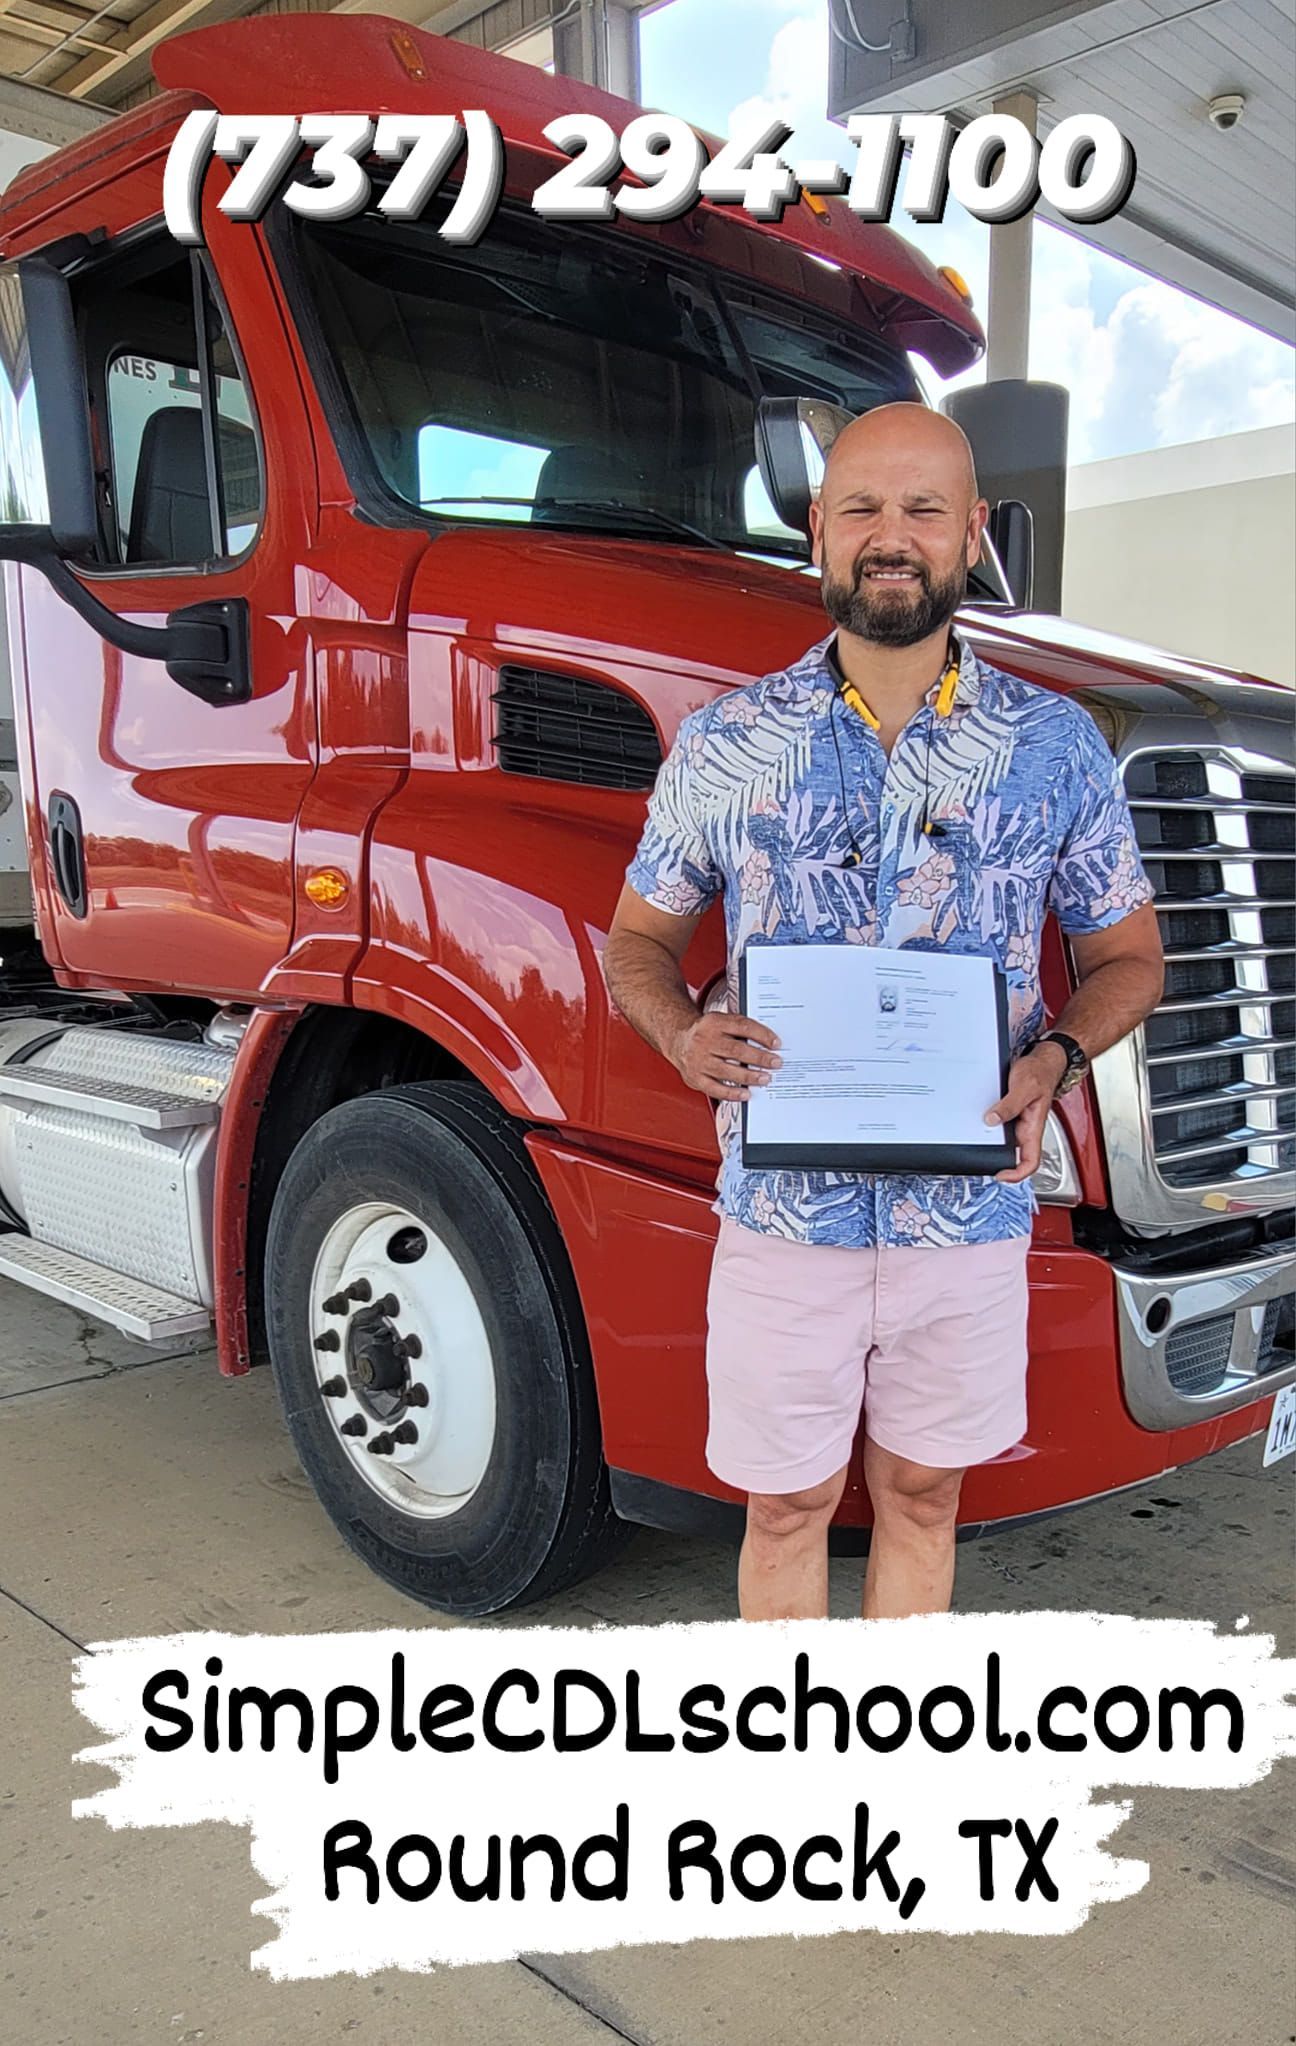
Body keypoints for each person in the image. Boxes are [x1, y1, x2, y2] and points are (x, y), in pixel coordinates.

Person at [604, 403, 1164, 1624]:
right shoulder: (725, 744)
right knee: (786, 1506)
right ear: (817, 533)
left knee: (920, 1496)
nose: (890, 536)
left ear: (972, 537)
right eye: (861, 507)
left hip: (965, 1213)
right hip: (782, 1216)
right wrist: (682, 1035)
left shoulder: (1057, 747)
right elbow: (637, 944)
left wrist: (1058, 1055)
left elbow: (1129, 957)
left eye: (923, 510)